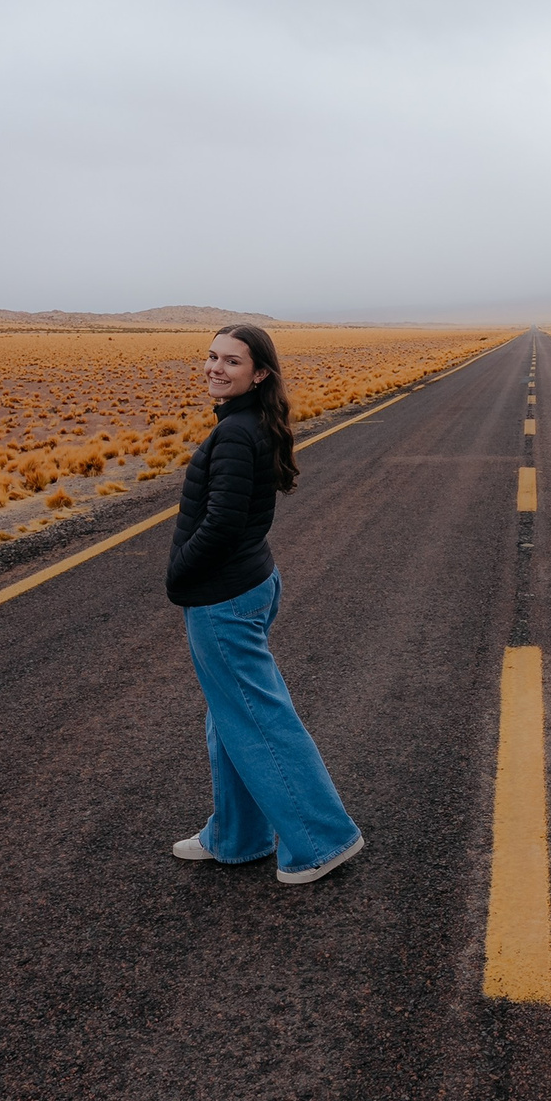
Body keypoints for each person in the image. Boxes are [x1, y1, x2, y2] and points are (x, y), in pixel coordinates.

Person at [165, 324, 365, 885]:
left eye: (231, 361)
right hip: (248, 585)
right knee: (230, 717)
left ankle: (324, 840)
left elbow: (223, 524)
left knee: (257, 717)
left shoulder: (233, 434)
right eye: (210, 357)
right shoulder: (251, 423)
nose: (214, 368)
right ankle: (237, 836)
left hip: (224, 599)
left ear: (259, 373)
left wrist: (177, 574)